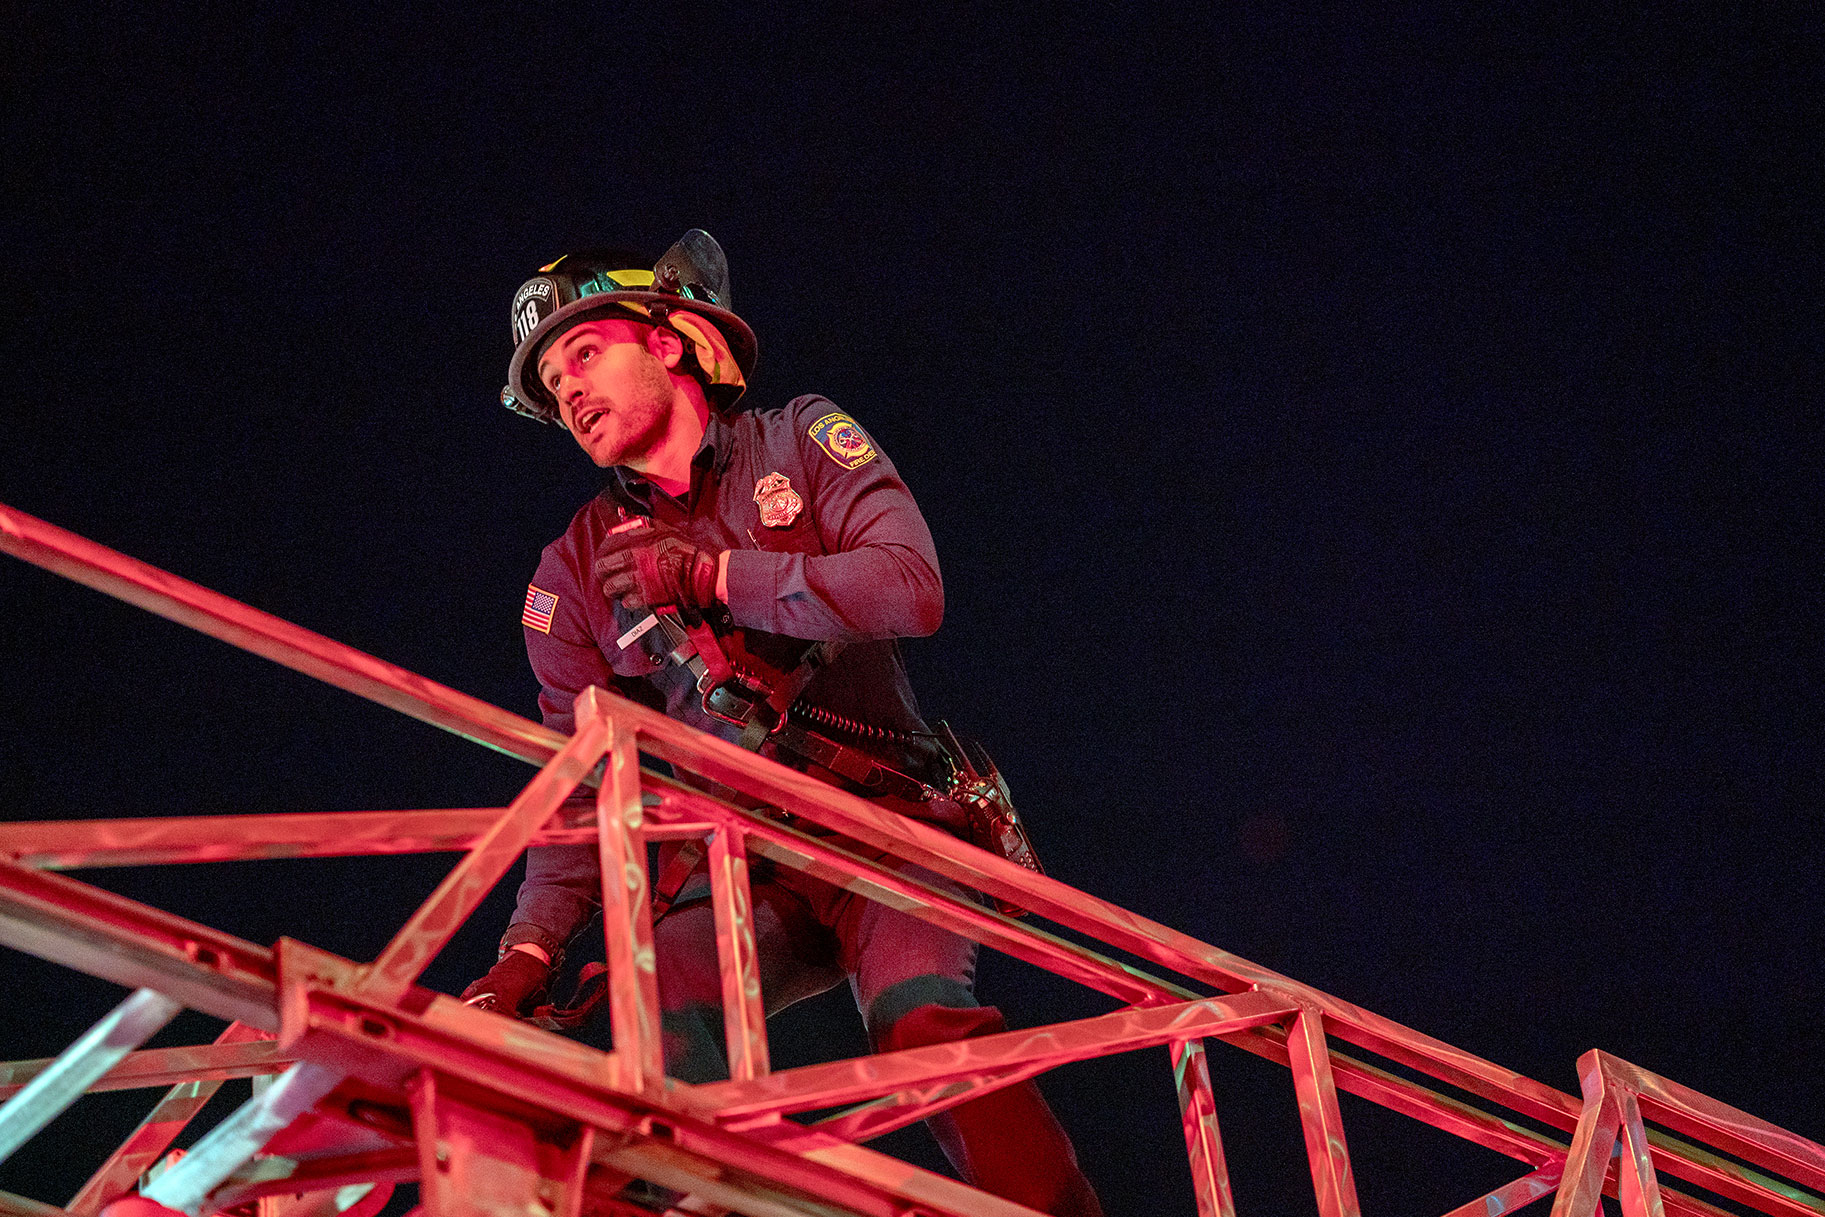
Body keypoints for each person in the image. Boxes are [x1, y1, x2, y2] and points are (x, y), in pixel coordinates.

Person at [461, 231, 1102, 1217]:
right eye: (549, 381)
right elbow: (587, 788)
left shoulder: (801, 439)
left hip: (887, 828)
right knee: (659, 1078)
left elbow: (909, 585)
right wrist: (526, 954)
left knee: (928, 1035)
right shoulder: (569, 575)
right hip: (736, 858)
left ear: (669, 343)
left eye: (583, 353)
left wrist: (718, 576)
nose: (567, 390)